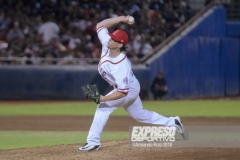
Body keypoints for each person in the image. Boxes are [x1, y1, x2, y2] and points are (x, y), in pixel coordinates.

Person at [77, 15, 186, 152]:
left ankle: (93, 142)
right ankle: (173, 122)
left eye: (113, 39)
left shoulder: (121, 65)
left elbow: (123, 91)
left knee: (103, 107)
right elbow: (100, 25)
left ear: (120, 45)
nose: (109, 39)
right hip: (130, 86)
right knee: (140, 115)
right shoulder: (108, 43)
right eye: (111, 37)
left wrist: (103, 98)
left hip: (128, 89)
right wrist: (122, 19)